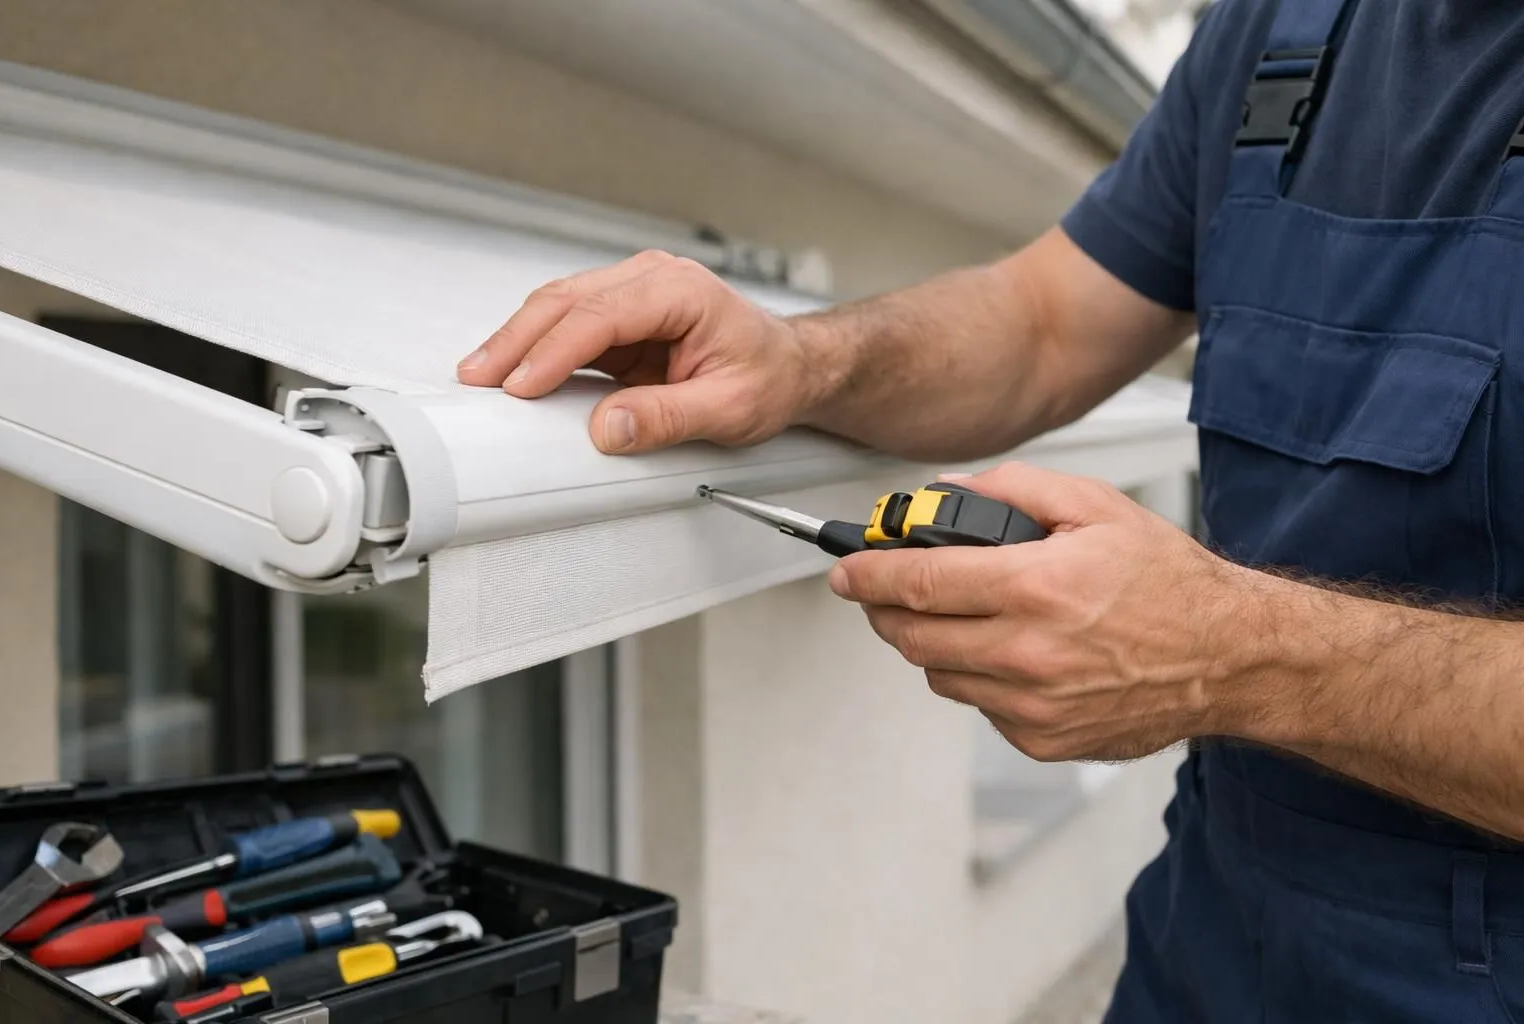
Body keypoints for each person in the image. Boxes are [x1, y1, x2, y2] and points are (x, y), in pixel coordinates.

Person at [458, 0, 1524, 1018]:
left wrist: (1227, 654)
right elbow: (1047, 319)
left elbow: (1223, 646)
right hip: (1211, 943)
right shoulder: (1276, 37)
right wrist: (803, 359)